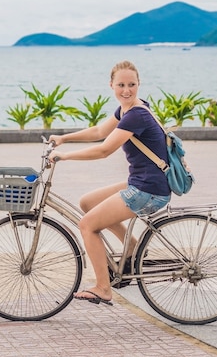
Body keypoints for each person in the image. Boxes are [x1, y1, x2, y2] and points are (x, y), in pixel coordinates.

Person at [49, 60, 171, 306]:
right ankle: (134, 248)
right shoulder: (126, 109)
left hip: (148, 190)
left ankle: (103, 288)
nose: (126, 90)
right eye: (121, 85)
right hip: (143, 183)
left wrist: (65, 157)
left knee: (87, 225)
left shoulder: (136, 114)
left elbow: (104, 150)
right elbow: (98, 132)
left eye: (132, 85)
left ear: (139, 84)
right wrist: (64, 139)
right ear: (111, 85)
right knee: (88, 202)